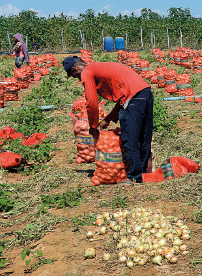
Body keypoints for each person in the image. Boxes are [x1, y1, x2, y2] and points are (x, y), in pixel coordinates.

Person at [63, 56, 154, 184]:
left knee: (130, 138)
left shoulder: (87, 72)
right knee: (143, 135)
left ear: (75, 69)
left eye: (75, 76)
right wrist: (109, 118)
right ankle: (144, 171)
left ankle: (134, 176)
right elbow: (123, 95)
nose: (79, 79)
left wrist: (93, 126)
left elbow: (92, 102)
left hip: (133, 99)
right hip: (145, 93)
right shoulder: (99, 67)